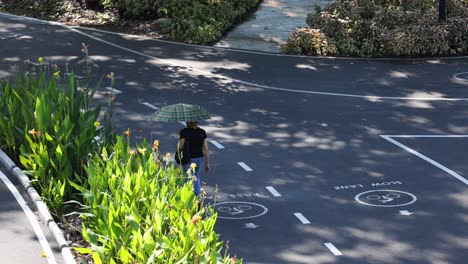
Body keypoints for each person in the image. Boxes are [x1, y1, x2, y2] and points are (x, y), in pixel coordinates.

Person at [178, 121, 210, 196]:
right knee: (196, 176)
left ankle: (186, 197)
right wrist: (207, 163)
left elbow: (180, 147)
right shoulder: (202, 132)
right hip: (199, 158)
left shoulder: (184, 132)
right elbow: (206, 149)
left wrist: (181, 137)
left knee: (187, 178)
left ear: (188, 122)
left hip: (188, 159)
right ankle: (197, 197)